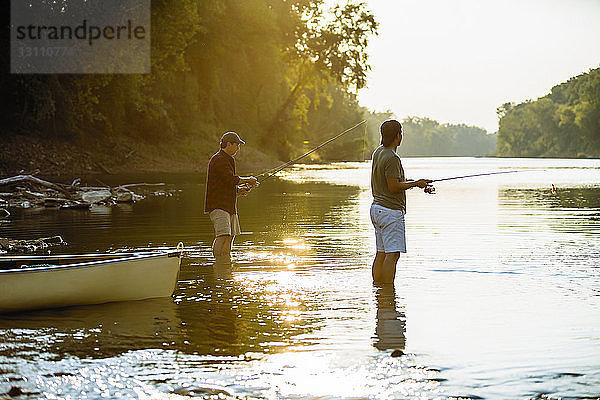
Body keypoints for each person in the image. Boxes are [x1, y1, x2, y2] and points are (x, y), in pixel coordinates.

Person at [370, 119, 432, 284]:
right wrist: (415, 183)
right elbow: (393, 187)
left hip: (377, 209)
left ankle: (378, 291)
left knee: (381, 253)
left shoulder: (378, 152)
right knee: (393, 254)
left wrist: (417, 183)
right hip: (390, 212)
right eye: (401, 133)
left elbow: (393, 180)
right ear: (398, 136)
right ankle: (388, 291)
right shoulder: (392, 157)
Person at [205, 131, 258, 263]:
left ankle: (225, 264)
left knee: (230, 236)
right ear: (228, 144)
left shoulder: (229, 160)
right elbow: (230, 179)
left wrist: (239, 190)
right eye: (237, 145)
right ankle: (217, 263)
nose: (238, 148)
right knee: (223, 235)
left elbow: (226, 183)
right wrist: (248, 180)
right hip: (219, 205)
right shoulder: (218, 159)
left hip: (229, 206)